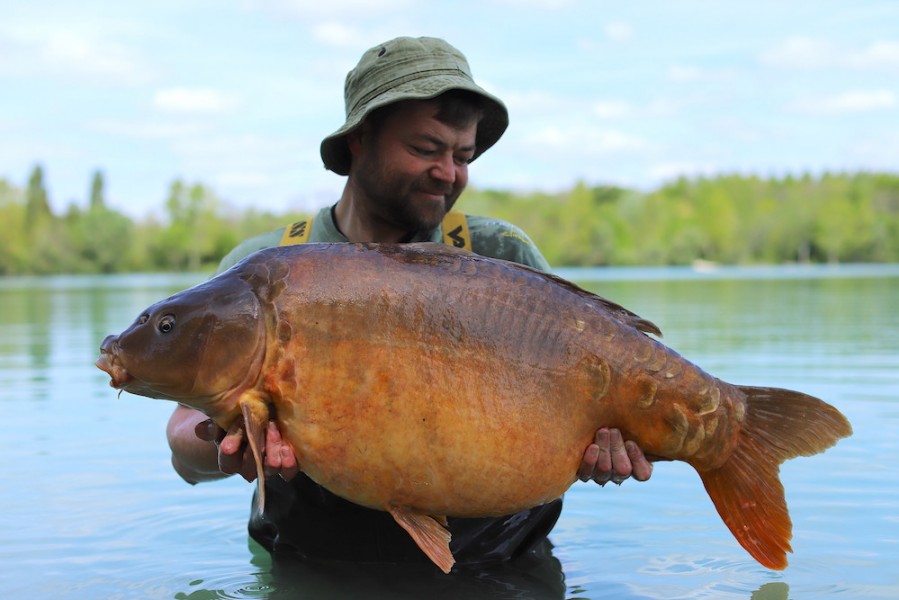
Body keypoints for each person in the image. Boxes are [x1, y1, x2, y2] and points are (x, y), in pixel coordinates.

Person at [166, 36, 654, 571]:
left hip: (500, 568)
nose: (447, 172)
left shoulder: (501, 255)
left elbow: (584, 410)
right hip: (316, 573)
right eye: (426, 149)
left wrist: (606, 448)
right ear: (359, 140)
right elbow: (184, 447)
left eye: (462, 155)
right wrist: (223, 447)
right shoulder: (267, 268)